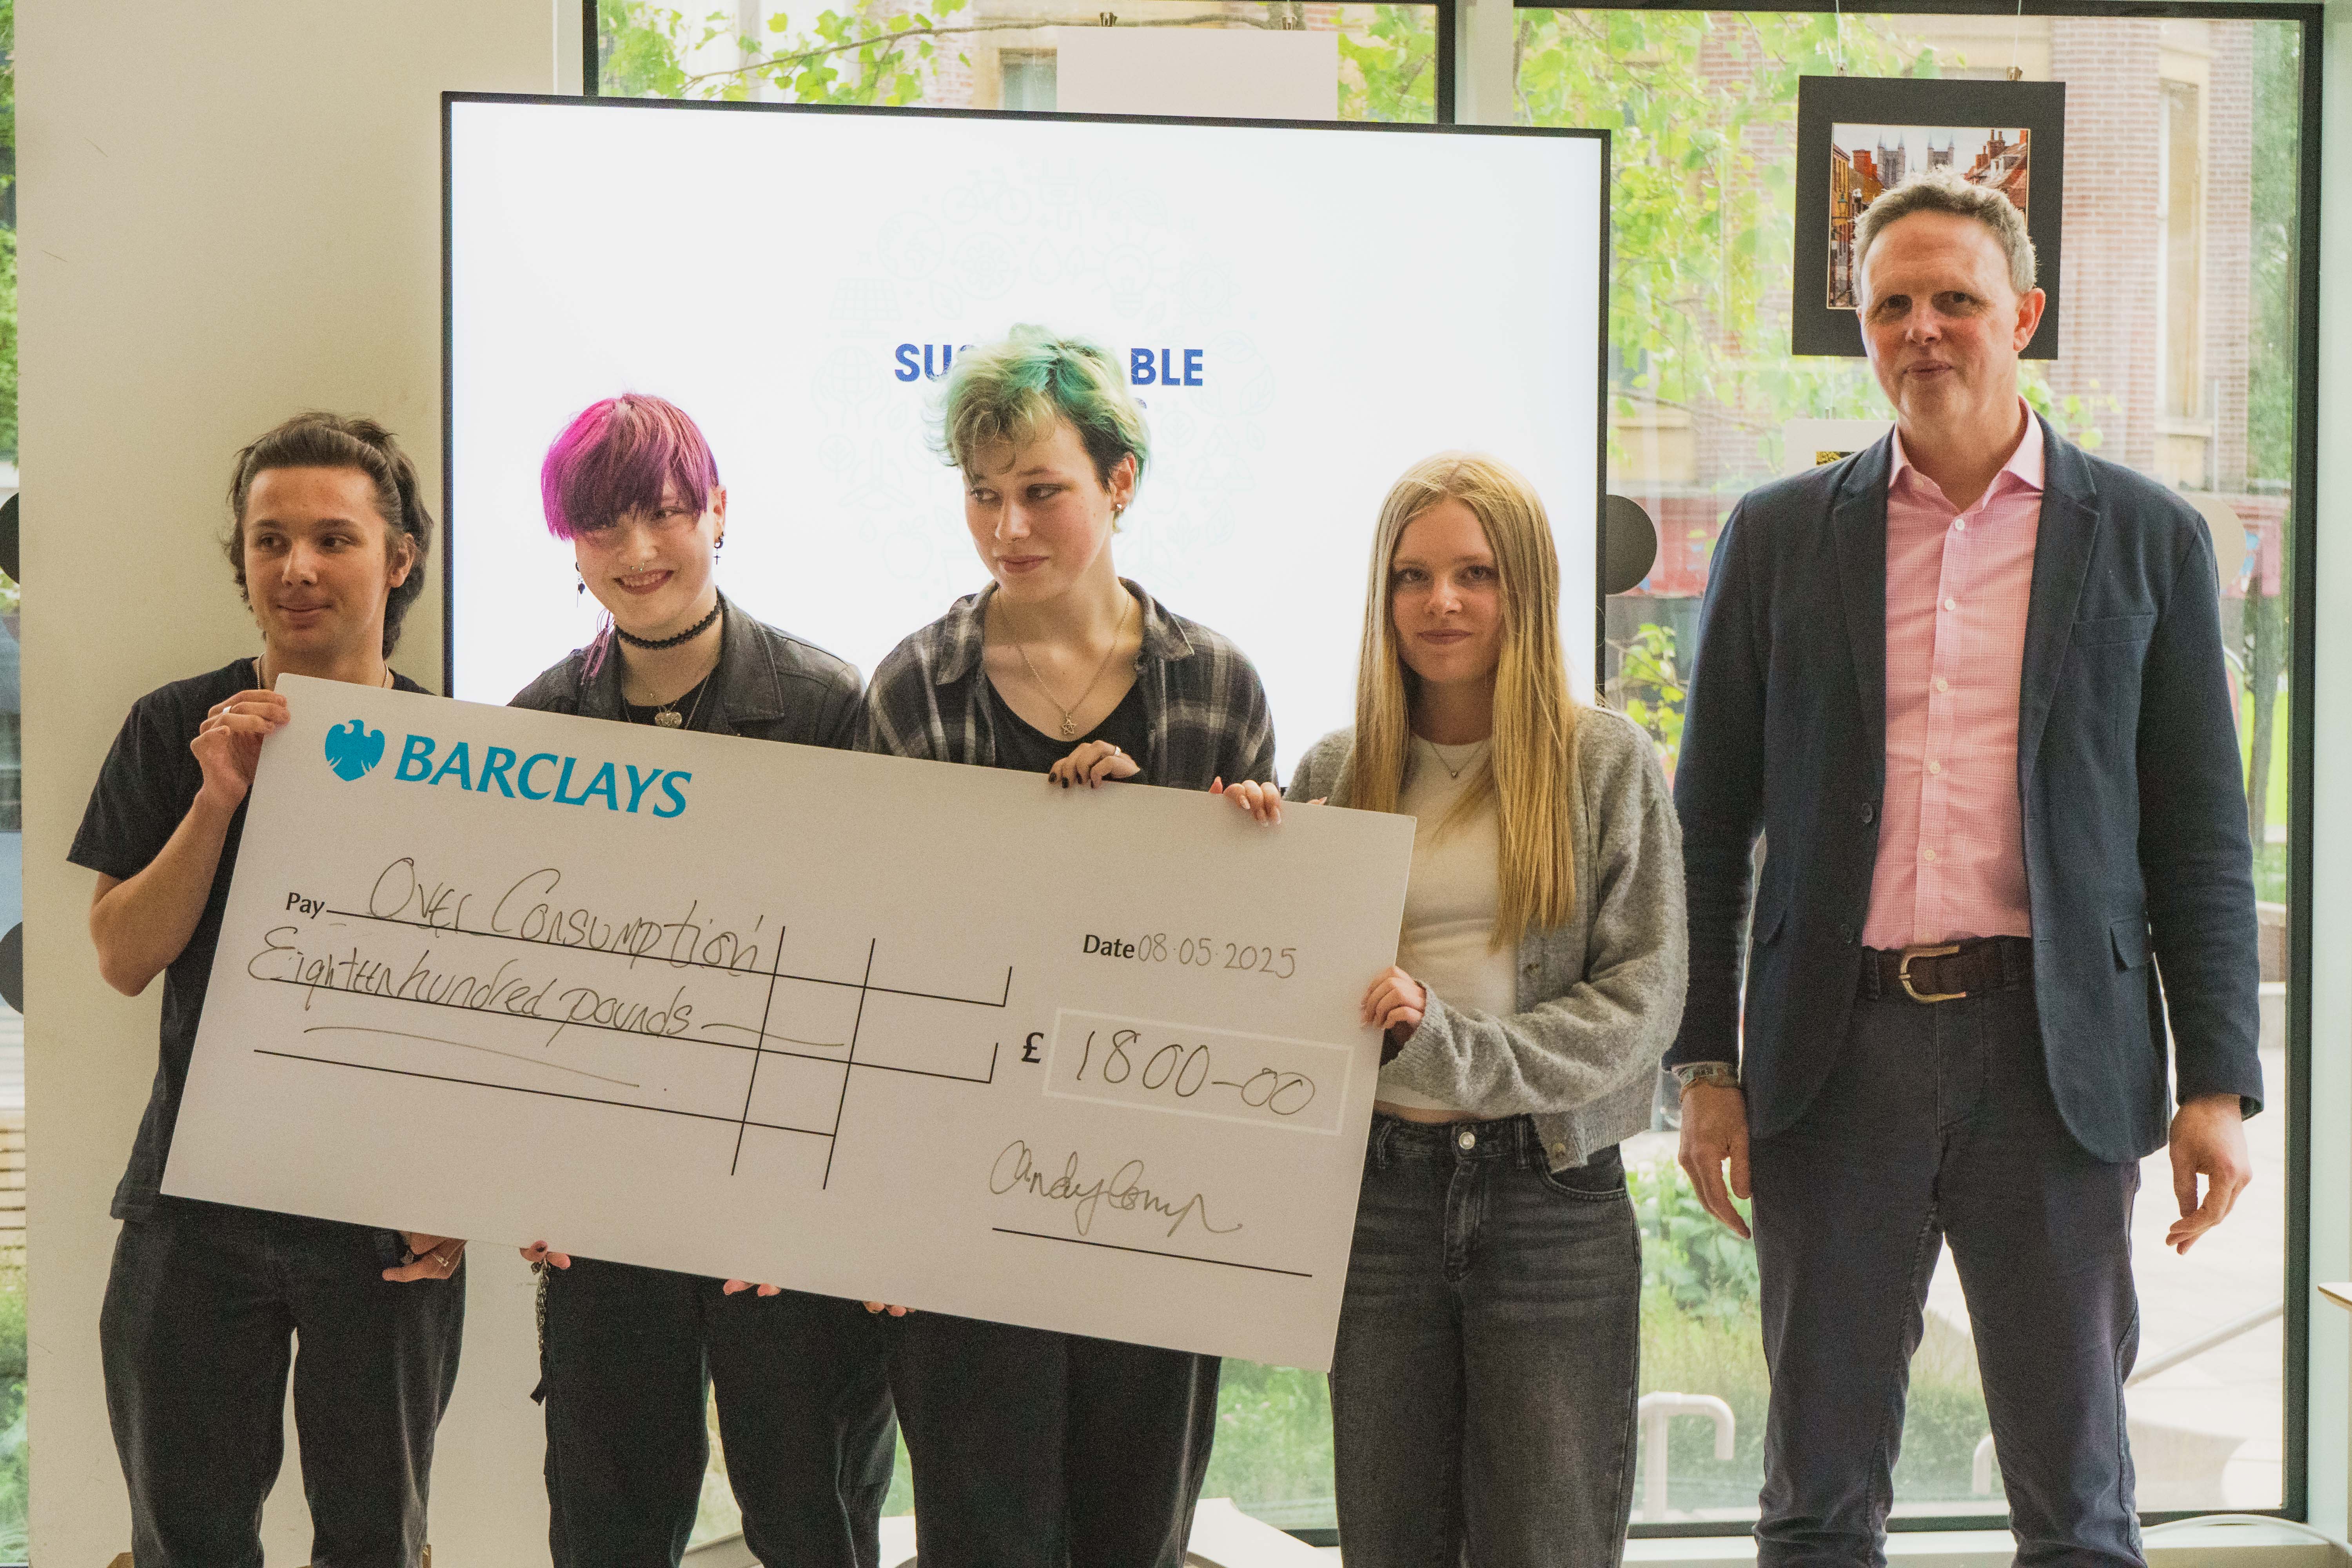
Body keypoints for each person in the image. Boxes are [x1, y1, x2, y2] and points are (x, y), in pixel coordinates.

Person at [1671, 170, 2261, 1566]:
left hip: (2052, 1062)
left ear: (2025, 316)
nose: (1923, 329)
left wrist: (2217, 1087)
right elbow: (1709, 824)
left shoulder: (2149, 537)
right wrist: (1705, 1066)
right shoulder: (1775, 538)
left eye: (1956, 300)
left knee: (2079, 1499)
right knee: (1815, 1496)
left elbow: (2201, 837)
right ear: (1860, 329)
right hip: (1833, 1056)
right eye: (1893, 305)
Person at [858, 325, 1278, 1568]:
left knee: (1131, 1535)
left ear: (1122, 483)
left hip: (1158, 1202)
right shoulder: (914, 688)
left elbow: (1250, 971)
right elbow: (890, 960)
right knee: (977, 1543)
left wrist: (1223, 854)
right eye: (983, 496)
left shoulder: (1219, 687)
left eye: (1042, 491)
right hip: (965, 1204)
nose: (1008, 528)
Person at [74, 412, 465, 1568]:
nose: (297, 568)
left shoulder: (458, 752)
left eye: (334, 538)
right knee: (182, 1536)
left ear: (398, 561)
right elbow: (121, 954)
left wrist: (459, 1191)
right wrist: (216, 800)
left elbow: (494, 1013)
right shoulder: (171, 727)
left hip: (386, 1224)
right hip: (192, 1213)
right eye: (269, 539)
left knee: (376, 1542)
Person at [508, 394, 891, 1568]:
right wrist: (526, 1173)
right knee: (609, 1528)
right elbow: (516, 985)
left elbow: (878, 961)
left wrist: (824, 1207)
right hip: (606, 1206)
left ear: (719, 512)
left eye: (665, 515)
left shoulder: (830, 706)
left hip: (791, 1204)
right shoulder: (539, 723)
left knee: (809, 1521)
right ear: (568, 543)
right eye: (600, 526)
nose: (636, 554)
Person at [1284, 452, 1686, 1568]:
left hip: (1550, 1199)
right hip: (1378, 1204)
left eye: (1475, 574)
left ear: (1526, 589)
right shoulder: (1334, 767)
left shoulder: (1606, 762)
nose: (1441, 603)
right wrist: (1254, 855)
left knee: (1548, 1543)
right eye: (1412, 577)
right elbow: (1287, 987)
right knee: (1389, 1539)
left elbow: (1640, 1009)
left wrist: (1447, 1048)